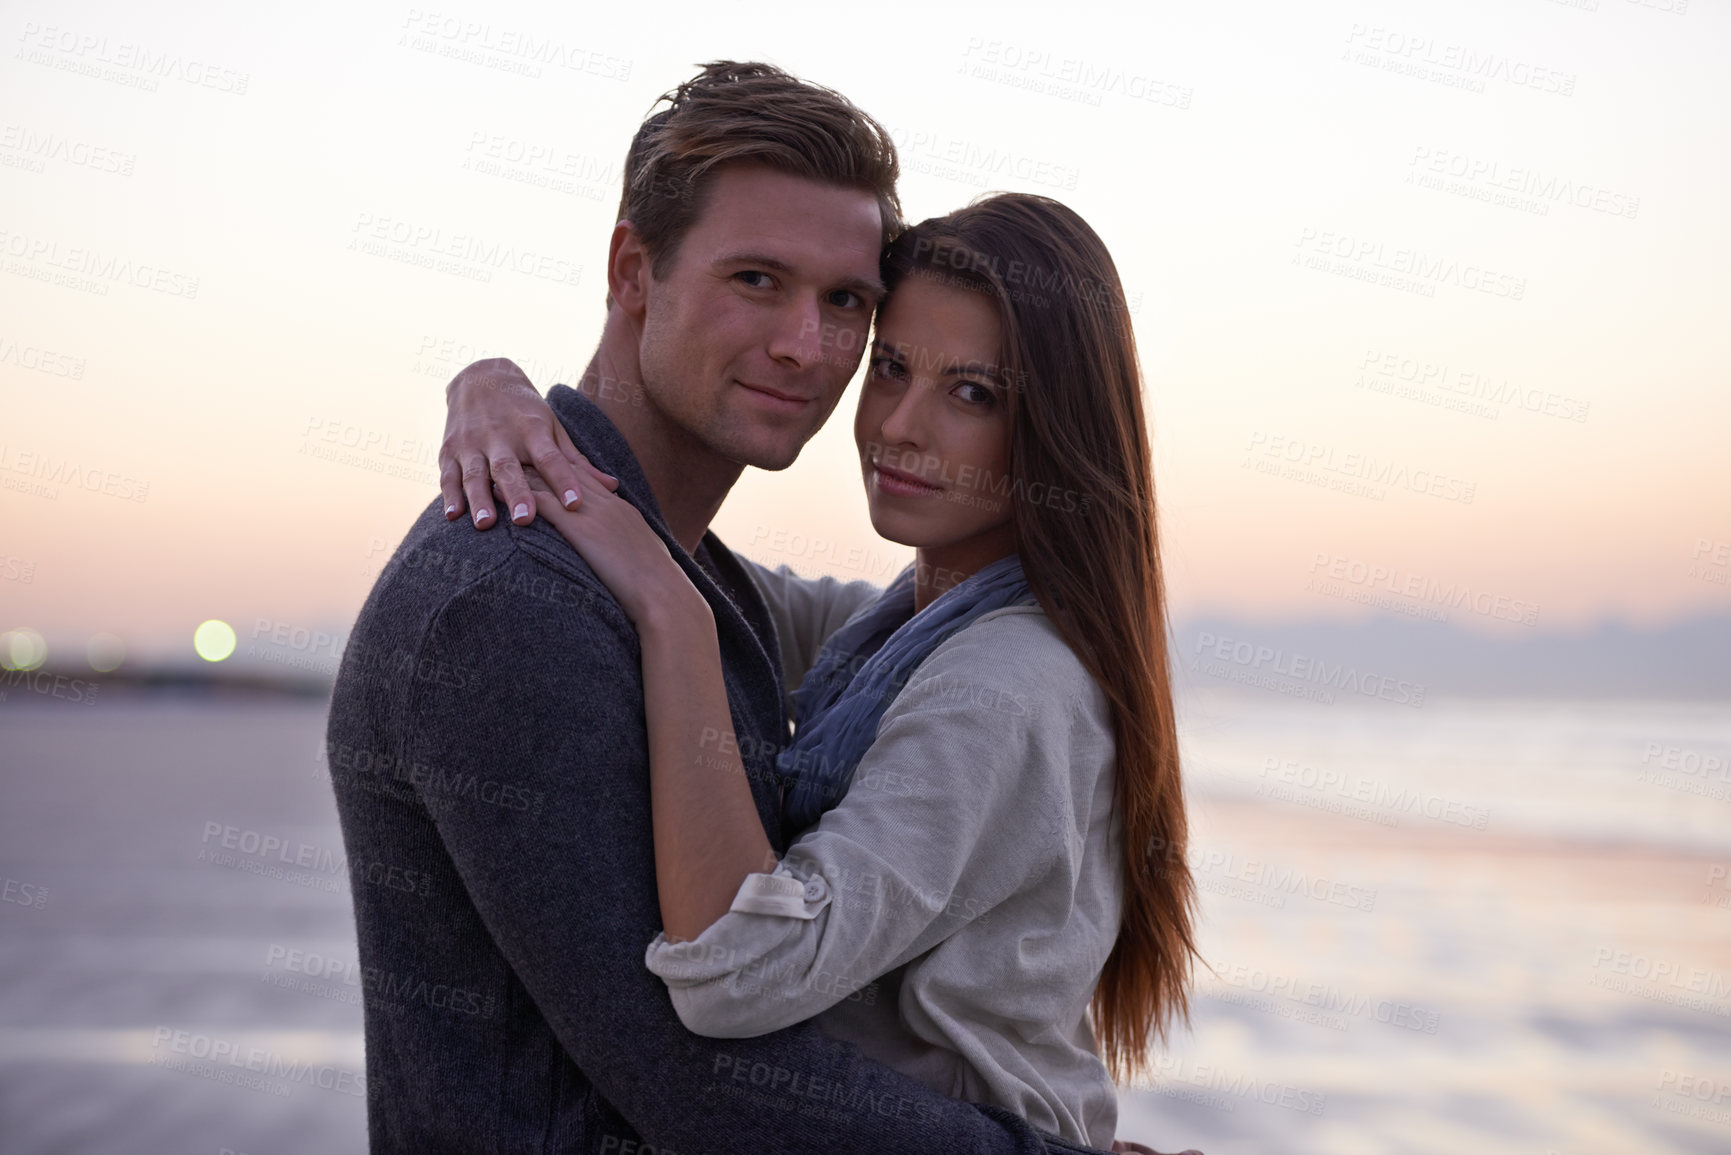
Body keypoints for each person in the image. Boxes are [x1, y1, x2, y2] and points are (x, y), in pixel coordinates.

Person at [326, 60, 1130, 1154]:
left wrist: (496, 386)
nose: (810, 347)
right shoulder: (514, 606)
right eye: (757, 278)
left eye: (846, 302)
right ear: (632, 271)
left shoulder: (694, 586)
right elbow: (693, 1078)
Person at [442, 195, 1201, 1153]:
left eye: (972, 393)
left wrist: (672, 615)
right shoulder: (906, 624)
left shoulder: (1005, 689)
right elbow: (698, 572)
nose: (900, 426)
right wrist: (492, 390)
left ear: (1056, 428)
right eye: (890, 368)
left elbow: (738, 975)